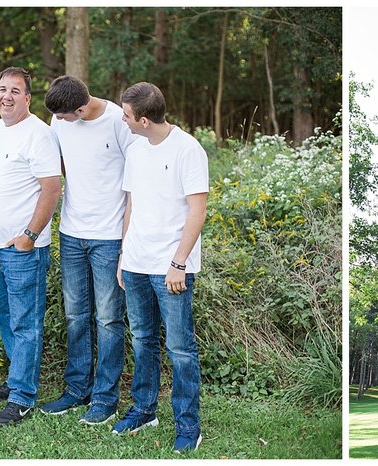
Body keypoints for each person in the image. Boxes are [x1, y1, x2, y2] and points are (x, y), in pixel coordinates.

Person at [111, 82, 208, 453]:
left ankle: (188, 425)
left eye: (127, 115)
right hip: (135, 263)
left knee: (181, 349)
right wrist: (124, 255)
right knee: (143, 340)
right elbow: (132, 205)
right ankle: (144, 409)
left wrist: (178, 263)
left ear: (145, 119)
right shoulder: (136, 149)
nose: (123, 120)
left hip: (171, 267)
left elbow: (197, 211)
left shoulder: (188, 150)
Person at [38, 75, 138, 424]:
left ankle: (105, 399)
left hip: (109, 237)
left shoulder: (117, 123)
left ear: (80, 109)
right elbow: (58, 165)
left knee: (108, 319)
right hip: (71, 233)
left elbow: (135, 184)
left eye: (66, 116)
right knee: (75, 316)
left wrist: (127, 243)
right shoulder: (58, 117)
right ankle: (76, 390)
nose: (60, 122)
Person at [0, 67, 62, 425]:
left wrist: (30, 234)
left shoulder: (39, 134)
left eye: (15, 91)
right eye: (1, 89)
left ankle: (23, 397)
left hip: (22, 248)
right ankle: (16, 383)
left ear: (28, 98)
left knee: (26, 322)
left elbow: (52, 188)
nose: (6, 96)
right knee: (5, 316)